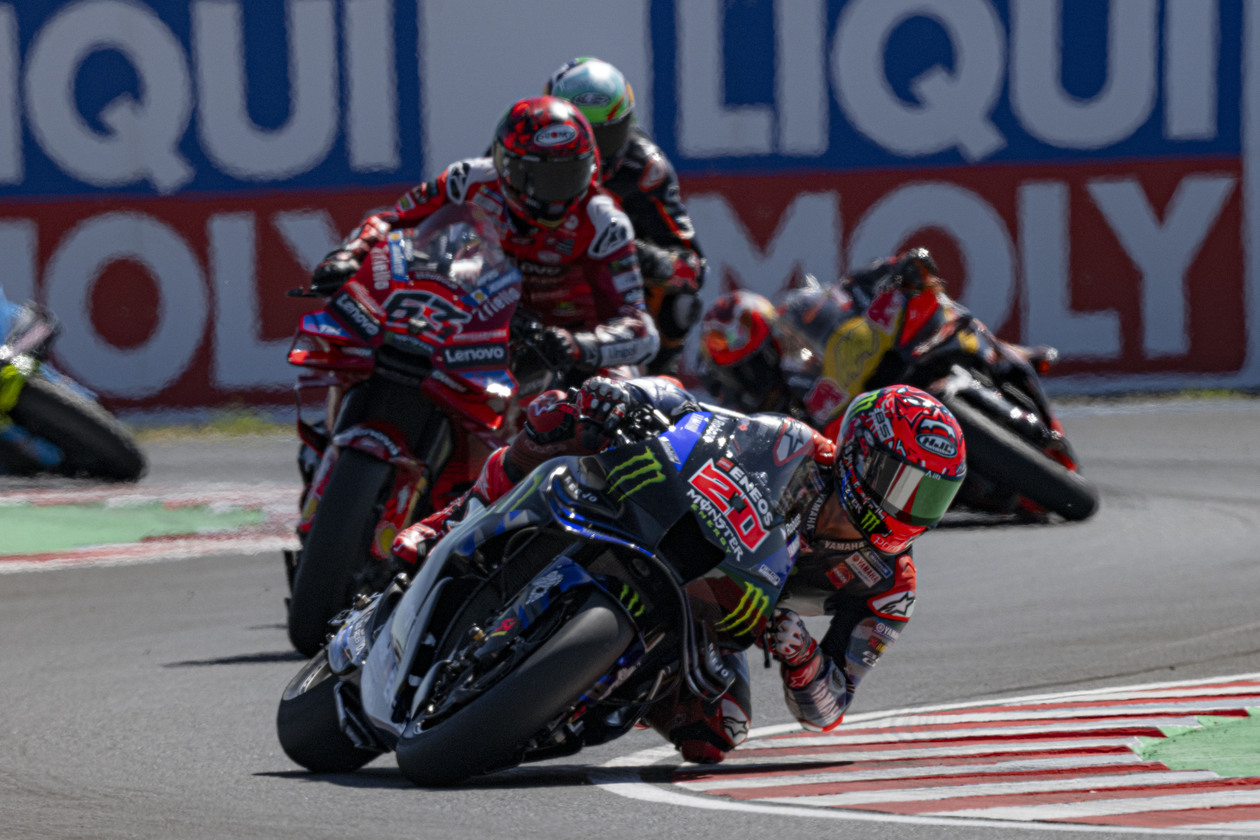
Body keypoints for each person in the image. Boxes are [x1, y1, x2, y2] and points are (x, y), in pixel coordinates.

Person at [392, 375, 967, 764]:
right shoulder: (793, 444)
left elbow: (830, 709)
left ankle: (578, 697)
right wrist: (629, 396)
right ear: (860, 450)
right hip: (668, 522)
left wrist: (801, 658)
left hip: (722, 612)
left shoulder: (889, 584)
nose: (911, 509)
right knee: (559, 414)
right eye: (903, 484)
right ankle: (450, 521)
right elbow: (698, 414)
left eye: (930, 498)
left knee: (718, 733)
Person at [309, 95, 659, 379]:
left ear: (592, 167)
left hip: (561, 349)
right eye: (539, 178)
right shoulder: (466, 180)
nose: (555, 195)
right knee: (373, 354)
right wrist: (349, 255)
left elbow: (642, 330)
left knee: (616, 399)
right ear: (506, 165)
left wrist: (578, 345)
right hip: (474, 329)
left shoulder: (605, 223)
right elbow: (393, 221)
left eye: (569, 176)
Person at [545, 57, 706, 376]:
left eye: (607, 136)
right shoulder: (521, 149)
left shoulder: (645, 170)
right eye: (581, 135)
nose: (595, 153)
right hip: (536, 273)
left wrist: (630, 253)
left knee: (681, 304)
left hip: (613, 288)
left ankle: (655, 382)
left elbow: (692, 270)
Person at [697, 248, 942, 437]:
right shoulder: (738, 406)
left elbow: (845, 288)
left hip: (863, 385)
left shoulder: (794, 317)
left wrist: (891, 269)